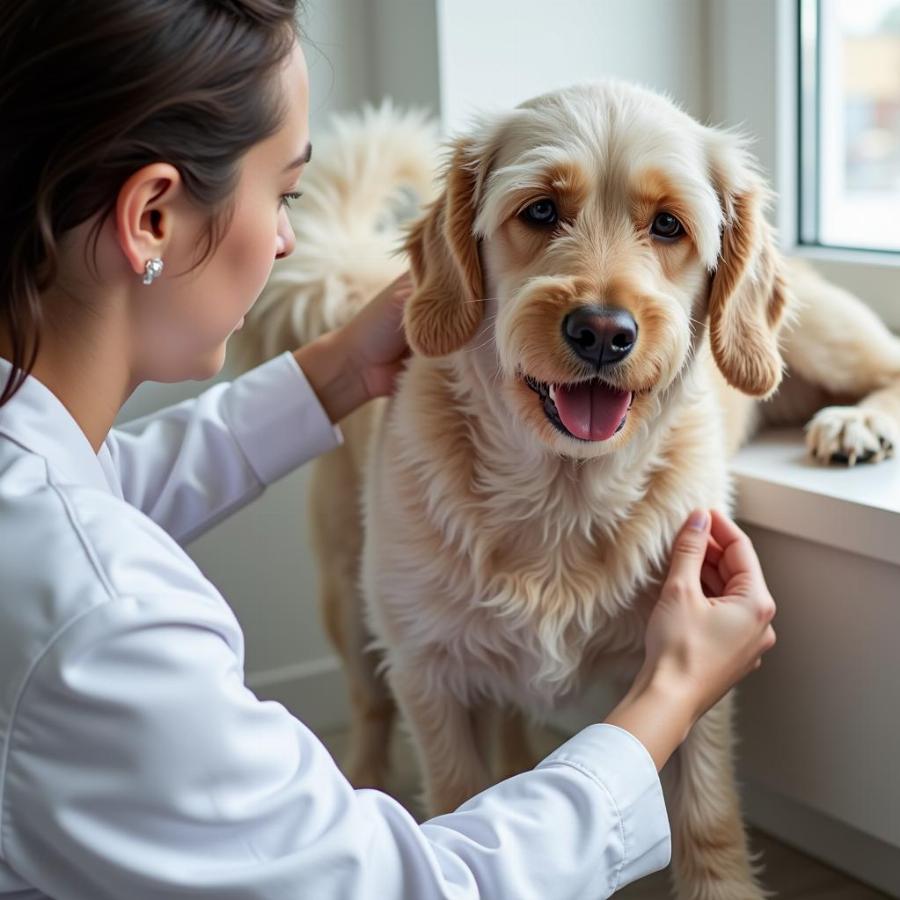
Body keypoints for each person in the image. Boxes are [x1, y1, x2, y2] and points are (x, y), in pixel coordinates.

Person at [0, 1, 777, 897]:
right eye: (285, 193)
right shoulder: (112, 631)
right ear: (152, 218)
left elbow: (87, 498)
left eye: (667, 229)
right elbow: (405, 885)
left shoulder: (37, 489)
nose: (291, 238)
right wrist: (667, 697)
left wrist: (329, 375)